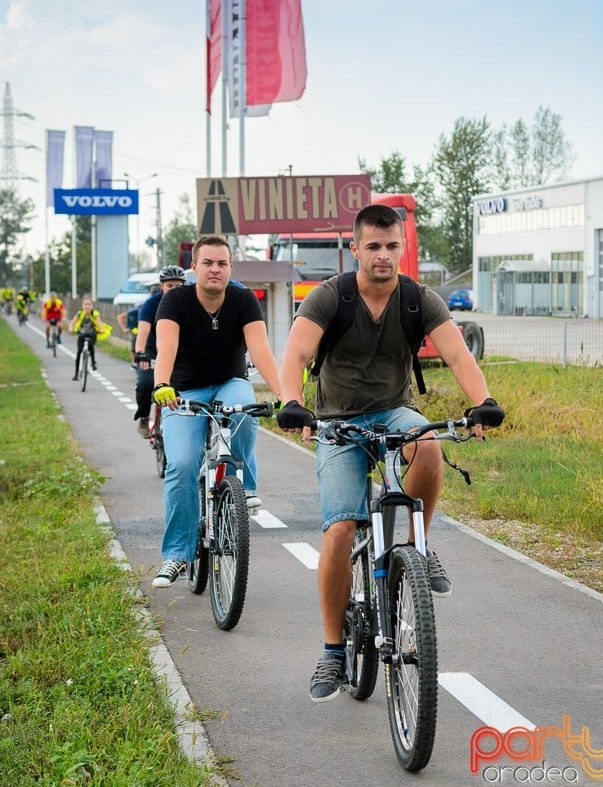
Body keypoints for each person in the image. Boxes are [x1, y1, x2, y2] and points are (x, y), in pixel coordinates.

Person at [276, 203, 505, 703]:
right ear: (355, 248)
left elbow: (458, 354)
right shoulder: (329, 298)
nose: (383, 255)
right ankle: (333, 650)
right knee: (340, 529)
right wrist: (293, 403)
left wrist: (481, 401)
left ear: (402, 248)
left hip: (394, 411)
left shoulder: (417, 299)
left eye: (391, 246)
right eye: (373, 246)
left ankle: (416, 546)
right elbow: (295, 354)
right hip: (336, 423)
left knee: (427, 441)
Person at [150, 234, 281, 588]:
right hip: (182, 391)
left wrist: (287, 395)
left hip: (228, 381)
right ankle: (177, 555)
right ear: (194, 267)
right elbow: (166, 349)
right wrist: (162, 385)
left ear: (230, 268)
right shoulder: (175, 301)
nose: (214, 269)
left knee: (243, 410)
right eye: (207, 263)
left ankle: (242, 485)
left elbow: (261, 349)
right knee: (181, 465)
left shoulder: (242, 300)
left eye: (222, 263)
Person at [133, 266, 186, 438]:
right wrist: (140, 352)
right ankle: (143, 416)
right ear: (161, 286)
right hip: (151, 349)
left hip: (178, 349)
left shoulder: (190, 302)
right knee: (145, 384)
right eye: (169, 285)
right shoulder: (151, 304)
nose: (174, 289)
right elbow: (143, 330)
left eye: (178, 285)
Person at [68, 297, 107, 379]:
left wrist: (102, 329)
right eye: (85, 304)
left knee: (91, 346)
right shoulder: (80, 313)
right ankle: (76, 374)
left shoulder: (94, 313)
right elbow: (72, 322)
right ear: (82, 306)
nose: (87, 306)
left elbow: (99, 323)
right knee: (79, 352)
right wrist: (71, 329)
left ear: (92, 306)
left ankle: (93, 363)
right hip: (81, 334)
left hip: (92, 334)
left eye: (89, 304)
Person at [117, 301, 143, 367]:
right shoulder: (133, 311)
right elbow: (120, 316)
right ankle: (134, 362)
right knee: (134, 344)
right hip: (134, 330)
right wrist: (123, 328)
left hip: (143, 330)